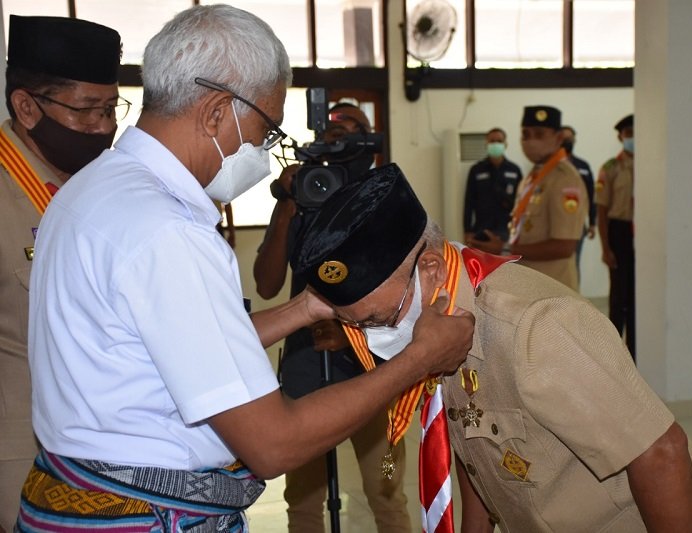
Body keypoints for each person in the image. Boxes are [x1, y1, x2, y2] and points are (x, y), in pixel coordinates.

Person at [17, 6, 473, 531]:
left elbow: (175, 346)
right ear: (216, 112)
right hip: (145, 515)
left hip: (71, 497)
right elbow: (275, 443)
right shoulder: (167, 230)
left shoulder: (91, 190)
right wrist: (417, 360)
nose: (262, 151)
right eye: (264, 130)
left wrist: (306, 308)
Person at [290, 162, 692, 533]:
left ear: (429, 267)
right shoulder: (442, 319)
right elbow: (473, 443)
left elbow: (662, 454)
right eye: (356, 327)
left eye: (379, 320)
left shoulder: (536, 328)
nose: (374, 337)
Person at [253, 102, 412, 532]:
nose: (339, 138)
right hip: (307, 364)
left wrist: (351, 335)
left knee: (385, 490)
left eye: (352, 129)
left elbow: (407, 290)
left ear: (369, 141)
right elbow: (267, 284)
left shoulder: (383, 200)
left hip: (371, 362)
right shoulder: (303, 195)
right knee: (302, 498)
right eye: (331, 129)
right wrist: (287, 206)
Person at [0, 15, 123, 532]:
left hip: (113, 452)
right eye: (87, 110)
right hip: (21, 455)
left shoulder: (106, 184)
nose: (103, 127)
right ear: (26, 107)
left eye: (112, 108)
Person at [467, 106, 587, 293]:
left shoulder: (564, 179)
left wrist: (505, 248)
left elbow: (564, 246)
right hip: (531, 283)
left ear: (558, 139)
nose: (530, 141)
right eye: (525, 135)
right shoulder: (532, 176)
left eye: (539, 134)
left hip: (555, 289)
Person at [596, 114, 636, 359]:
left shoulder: (652, 164)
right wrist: (606, 247)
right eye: (628, 133)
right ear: (621, 137)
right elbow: (601, 211)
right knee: (619, 298)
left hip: (645, 234)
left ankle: (636, 354)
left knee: (638, 299)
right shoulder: (610, 168)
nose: (633, 137)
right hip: (619, 233)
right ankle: (614, 354)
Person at [462, 127, 522, 242]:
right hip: (481, 229)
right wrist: (467, 230)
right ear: (486, 144)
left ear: (505, 144)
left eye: (499, 141)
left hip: (507, 230)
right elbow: (469, 202)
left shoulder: (514, 170)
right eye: (492, 141)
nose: (495, 144)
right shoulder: (477, 169)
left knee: (506, 260)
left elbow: (521, 202)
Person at [561, 125, 596, 279]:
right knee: (558, 267)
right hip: (557, 224)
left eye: (570, 138)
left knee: (574, 264)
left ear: (574, 140)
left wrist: (593, 222)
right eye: (564, 138)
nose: (567, 141)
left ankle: (574, 301)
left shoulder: (583, 166)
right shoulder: (550, 166)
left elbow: (591, 194)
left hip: (578, 225)